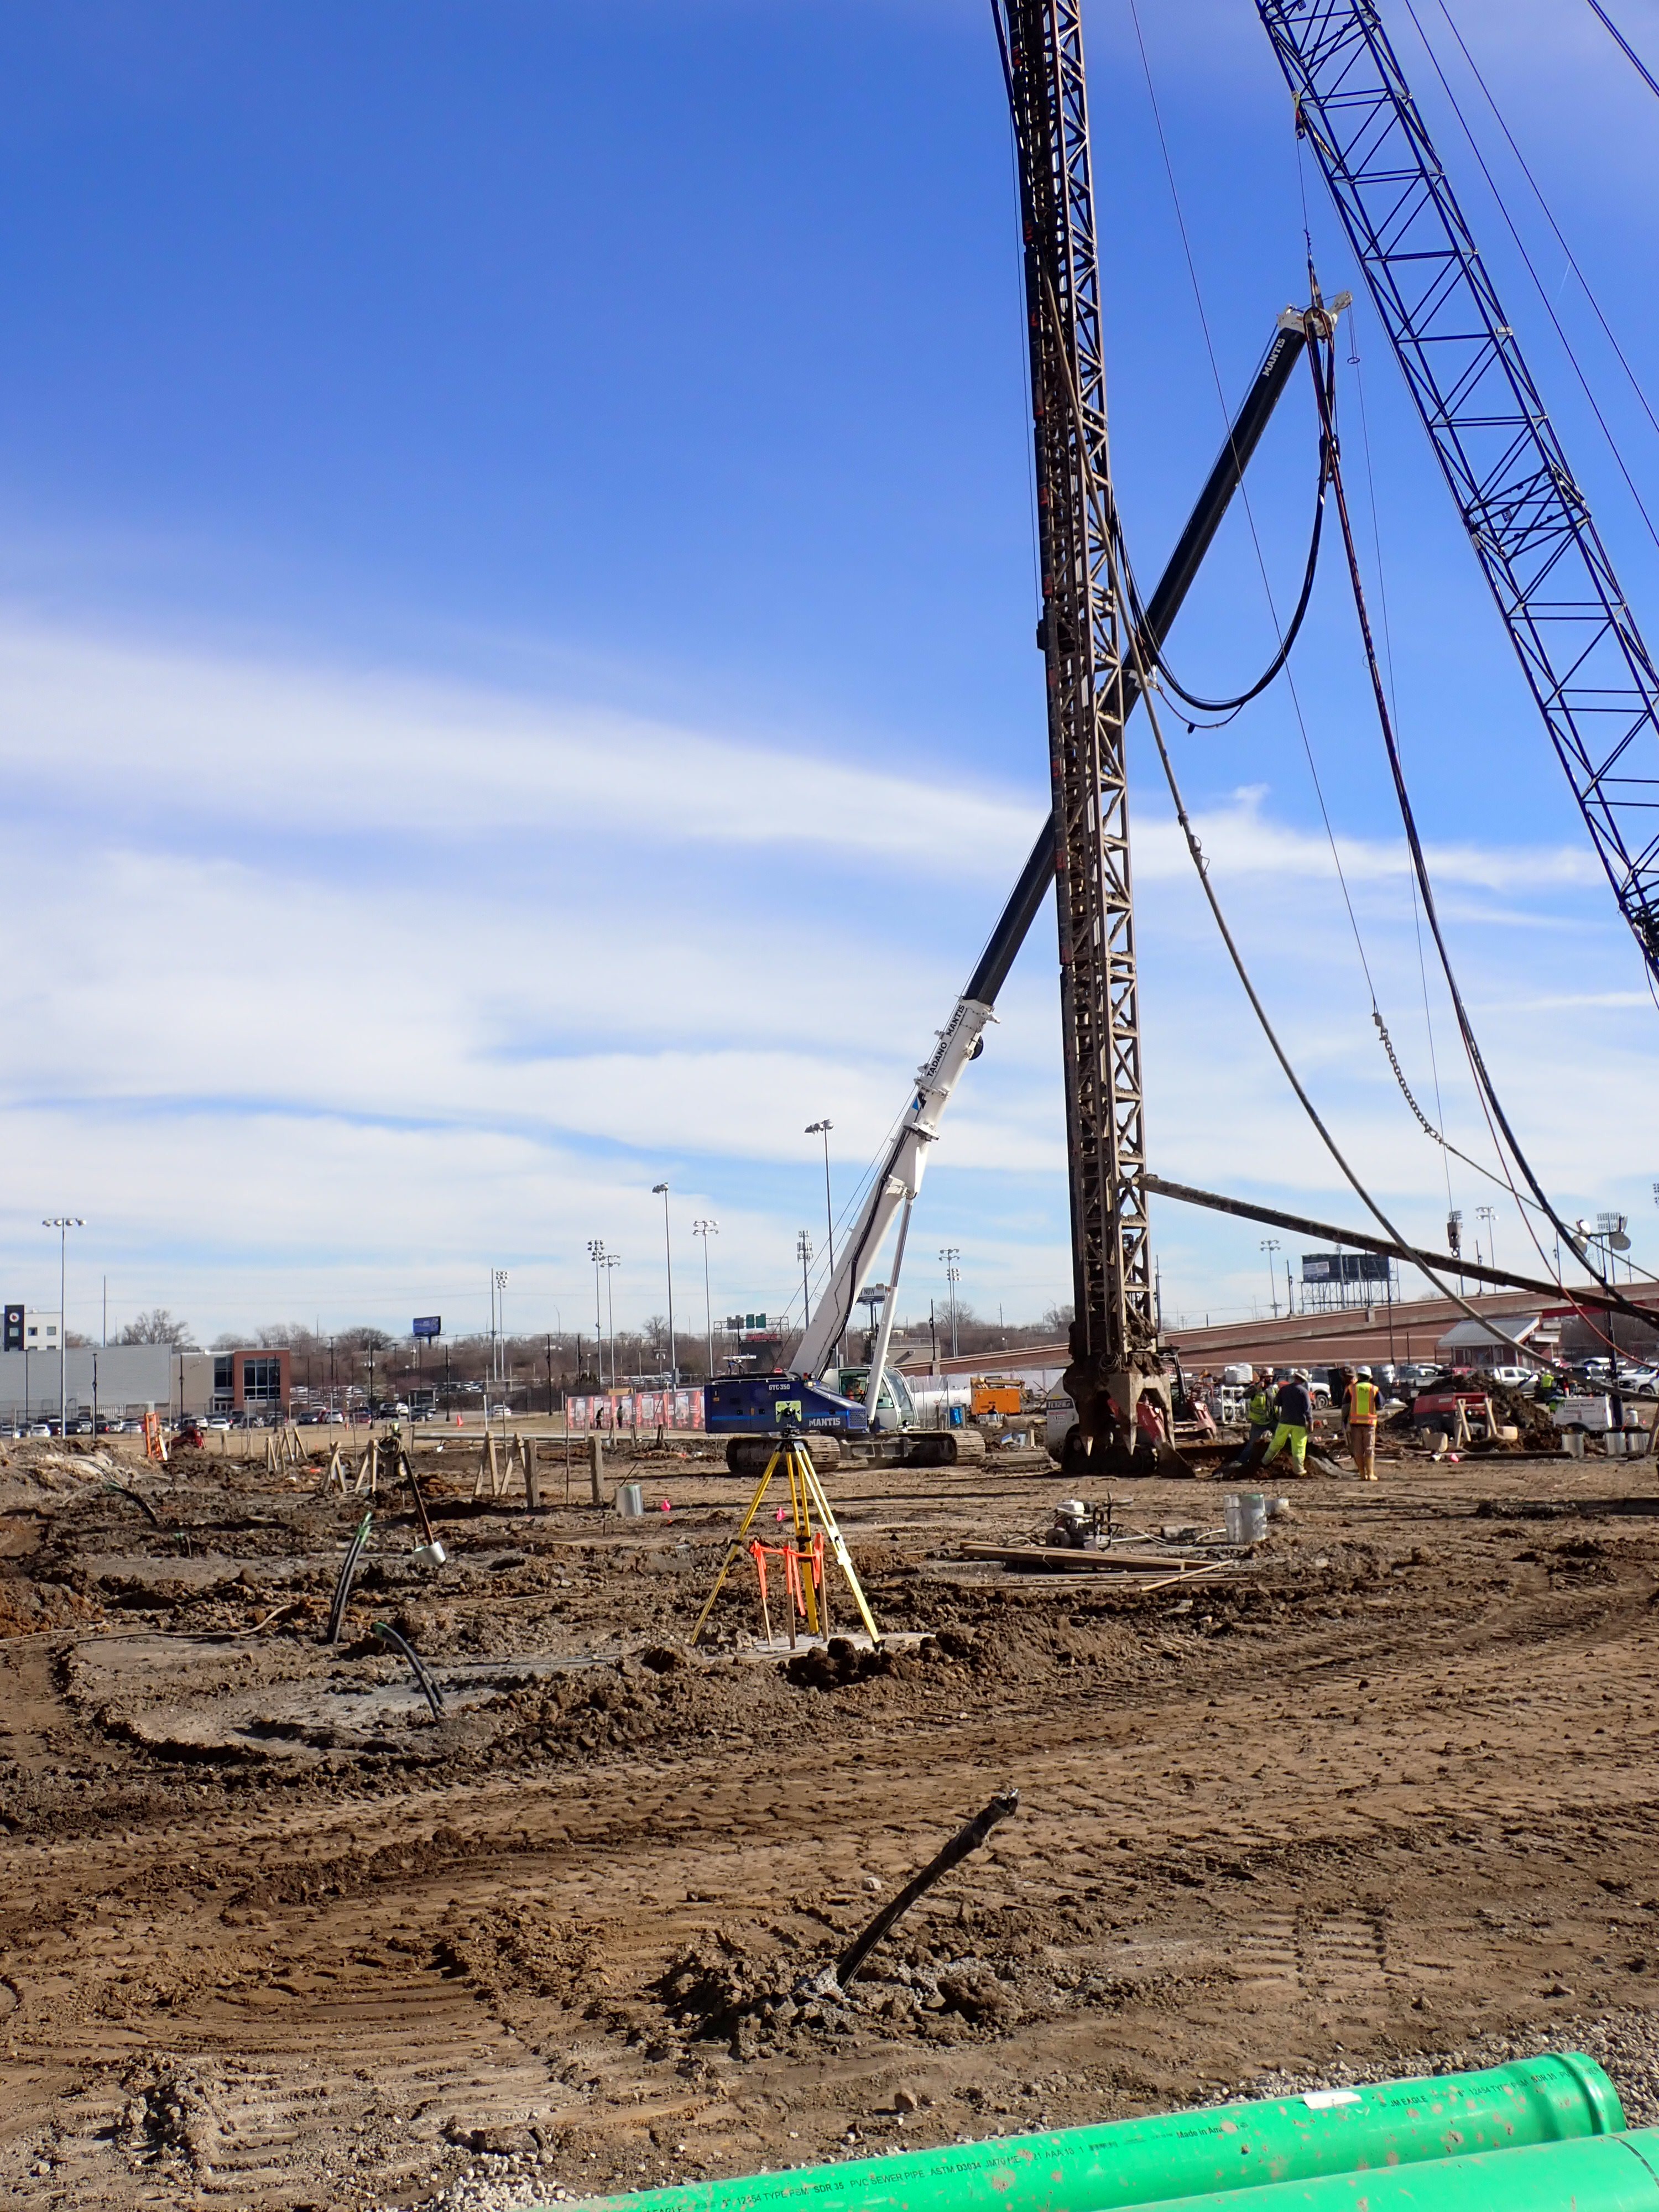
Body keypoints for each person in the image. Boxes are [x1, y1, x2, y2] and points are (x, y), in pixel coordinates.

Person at [1262, 1370, 1313, 1477]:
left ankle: (1265, 1462)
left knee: (1277, 1443)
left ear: (1295, 1377)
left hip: (1284, 1422)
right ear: (1304, 1380)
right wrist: (1311, 1422)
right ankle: (1299, 1470)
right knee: (1299, 1447)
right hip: (1299, 1424)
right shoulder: (1304, 1392)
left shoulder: (1284, 1389)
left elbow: (1277, 1402)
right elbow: (1308, 1410)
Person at [1344, 1364, 1381, 1480]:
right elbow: (1381, 1405)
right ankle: (1370, 1474)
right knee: (1369, 1449)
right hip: (1369, 1423)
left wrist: (1344, 1422)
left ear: (1359, 1376)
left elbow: (1345, 1406)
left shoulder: (1352, 1389)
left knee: (1358, 1450)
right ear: (1369, 1377)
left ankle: (1362, 1474)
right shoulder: (1374, 1389)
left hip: (1355, 1424)